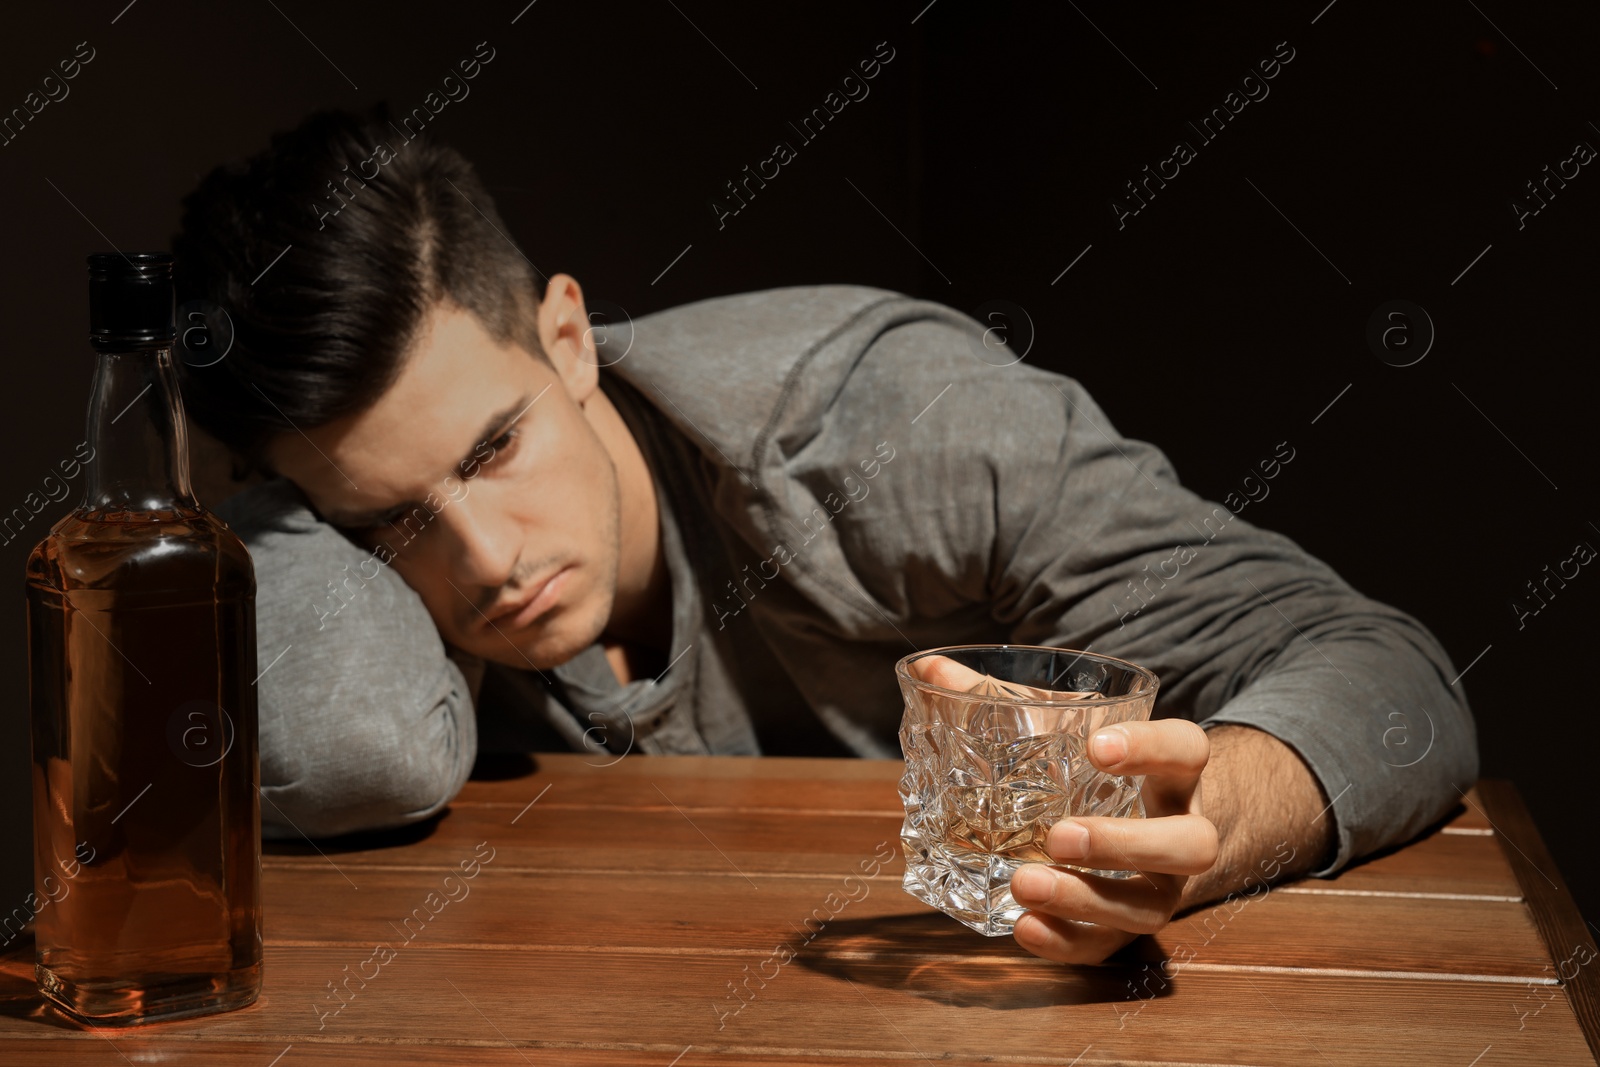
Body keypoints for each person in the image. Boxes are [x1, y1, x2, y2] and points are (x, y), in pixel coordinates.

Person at [169, 102, 1478, 966]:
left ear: (567, 336)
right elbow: (345, 745)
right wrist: (265, 524)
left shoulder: (892, 425)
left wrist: (1201, 838)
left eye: (494, 447)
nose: (489, 560)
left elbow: (1392, 675)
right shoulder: (322, 514)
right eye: (390, 520)